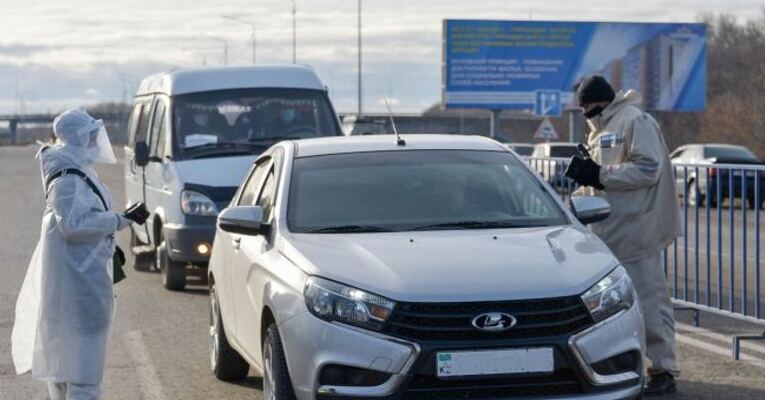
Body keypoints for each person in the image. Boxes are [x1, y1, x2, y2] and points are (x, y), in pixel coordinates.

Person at [11, 109, 149, 400]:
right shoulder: (68, 178)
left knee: (65, 368)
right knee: (83, 373)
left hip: (78, 276)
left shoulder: (75, 168)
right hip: (78, 283)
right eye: (90, 135)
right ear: (78, 137)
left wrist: (118, 220)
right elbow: (73, 226)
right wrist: (119, 220)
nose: (94, 141)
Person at [565, 75, 682, 397]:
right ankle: (618, 362)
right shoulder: (602, 127)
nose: (584, 113)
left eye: (585, 107)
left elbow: (648, 169)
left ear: (600, 102)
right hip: (610, 228)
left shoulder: (634, 121)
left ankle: (663, 369)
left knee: (650, 300)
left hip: (638, 228)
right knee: (613, 305)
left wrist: (599, 175)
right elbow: (608, 172)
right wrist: (584, 182)